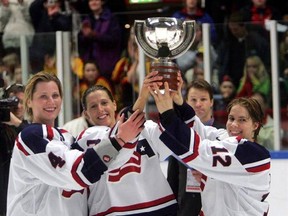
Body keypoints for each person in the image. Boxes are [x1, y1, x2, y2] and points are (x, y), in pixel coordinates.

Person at [6, 71, 145, 216]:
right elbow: (80, 171)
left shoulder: (67, 138)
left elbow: (110, 162)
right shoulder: (30, 137)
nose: (51, 101)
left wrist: (125, 135)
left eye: (55, 95)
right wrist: (120, 139)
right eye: (43, 96)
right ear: (29, 101)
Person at [148, 81, 271, 215]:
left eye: (242, 120)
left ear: (255, 125)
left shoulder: (254, 155)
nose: (234, 124)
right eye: (231, 118)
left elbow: (198, 150)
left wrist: (168, 114)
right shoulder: (224, 138)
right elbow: (199, 130)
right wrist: (179, 103)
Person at [75, 72, 180, 215]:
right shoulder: (87, 138)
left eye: (104, 103)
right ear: (86, 114)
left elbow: (175, 139)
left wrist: (174, 100)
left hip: (159, 208)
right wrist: (143, 97)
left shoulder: (147, 128)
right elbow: (121, 133)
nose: (100, 109)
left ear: (114, 104)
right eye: (93, 106)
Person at [167, 79, 224, 216]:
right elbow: (173, 181)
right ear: (185, 102)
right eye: (193, 100)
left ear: (212, 102)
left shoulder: (224, 137)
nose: (198, 104)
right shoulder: (179, 139)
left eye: (203, 99)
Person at [215, 11, 270, 89]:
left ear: (243, 26)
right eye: (231, 29)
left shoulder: (256, 41)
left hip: (252, 81)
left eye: (235, 29)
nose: (233, 32)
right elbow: (221, 63)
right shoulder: (227, 43)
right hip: (231, 82)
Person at [0, 83, 28, 216]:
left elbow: (35, 139)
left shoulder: (30, 129)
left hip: (23, 197)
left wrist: (17, 123)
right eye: (13, 102)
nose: (18, 106)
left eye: (22, 102)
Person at [77, 0, 122, 79]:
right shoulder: (86, 19)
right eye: (91, 0)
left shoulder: (111, 19)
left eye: (96, 0)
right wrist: (84, 36)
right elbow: (80, 42)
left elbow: (114, 40)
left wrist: (94, 35)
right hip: (89, 63)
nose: (93, 2)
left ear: (102, 2)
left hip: (107, 64)